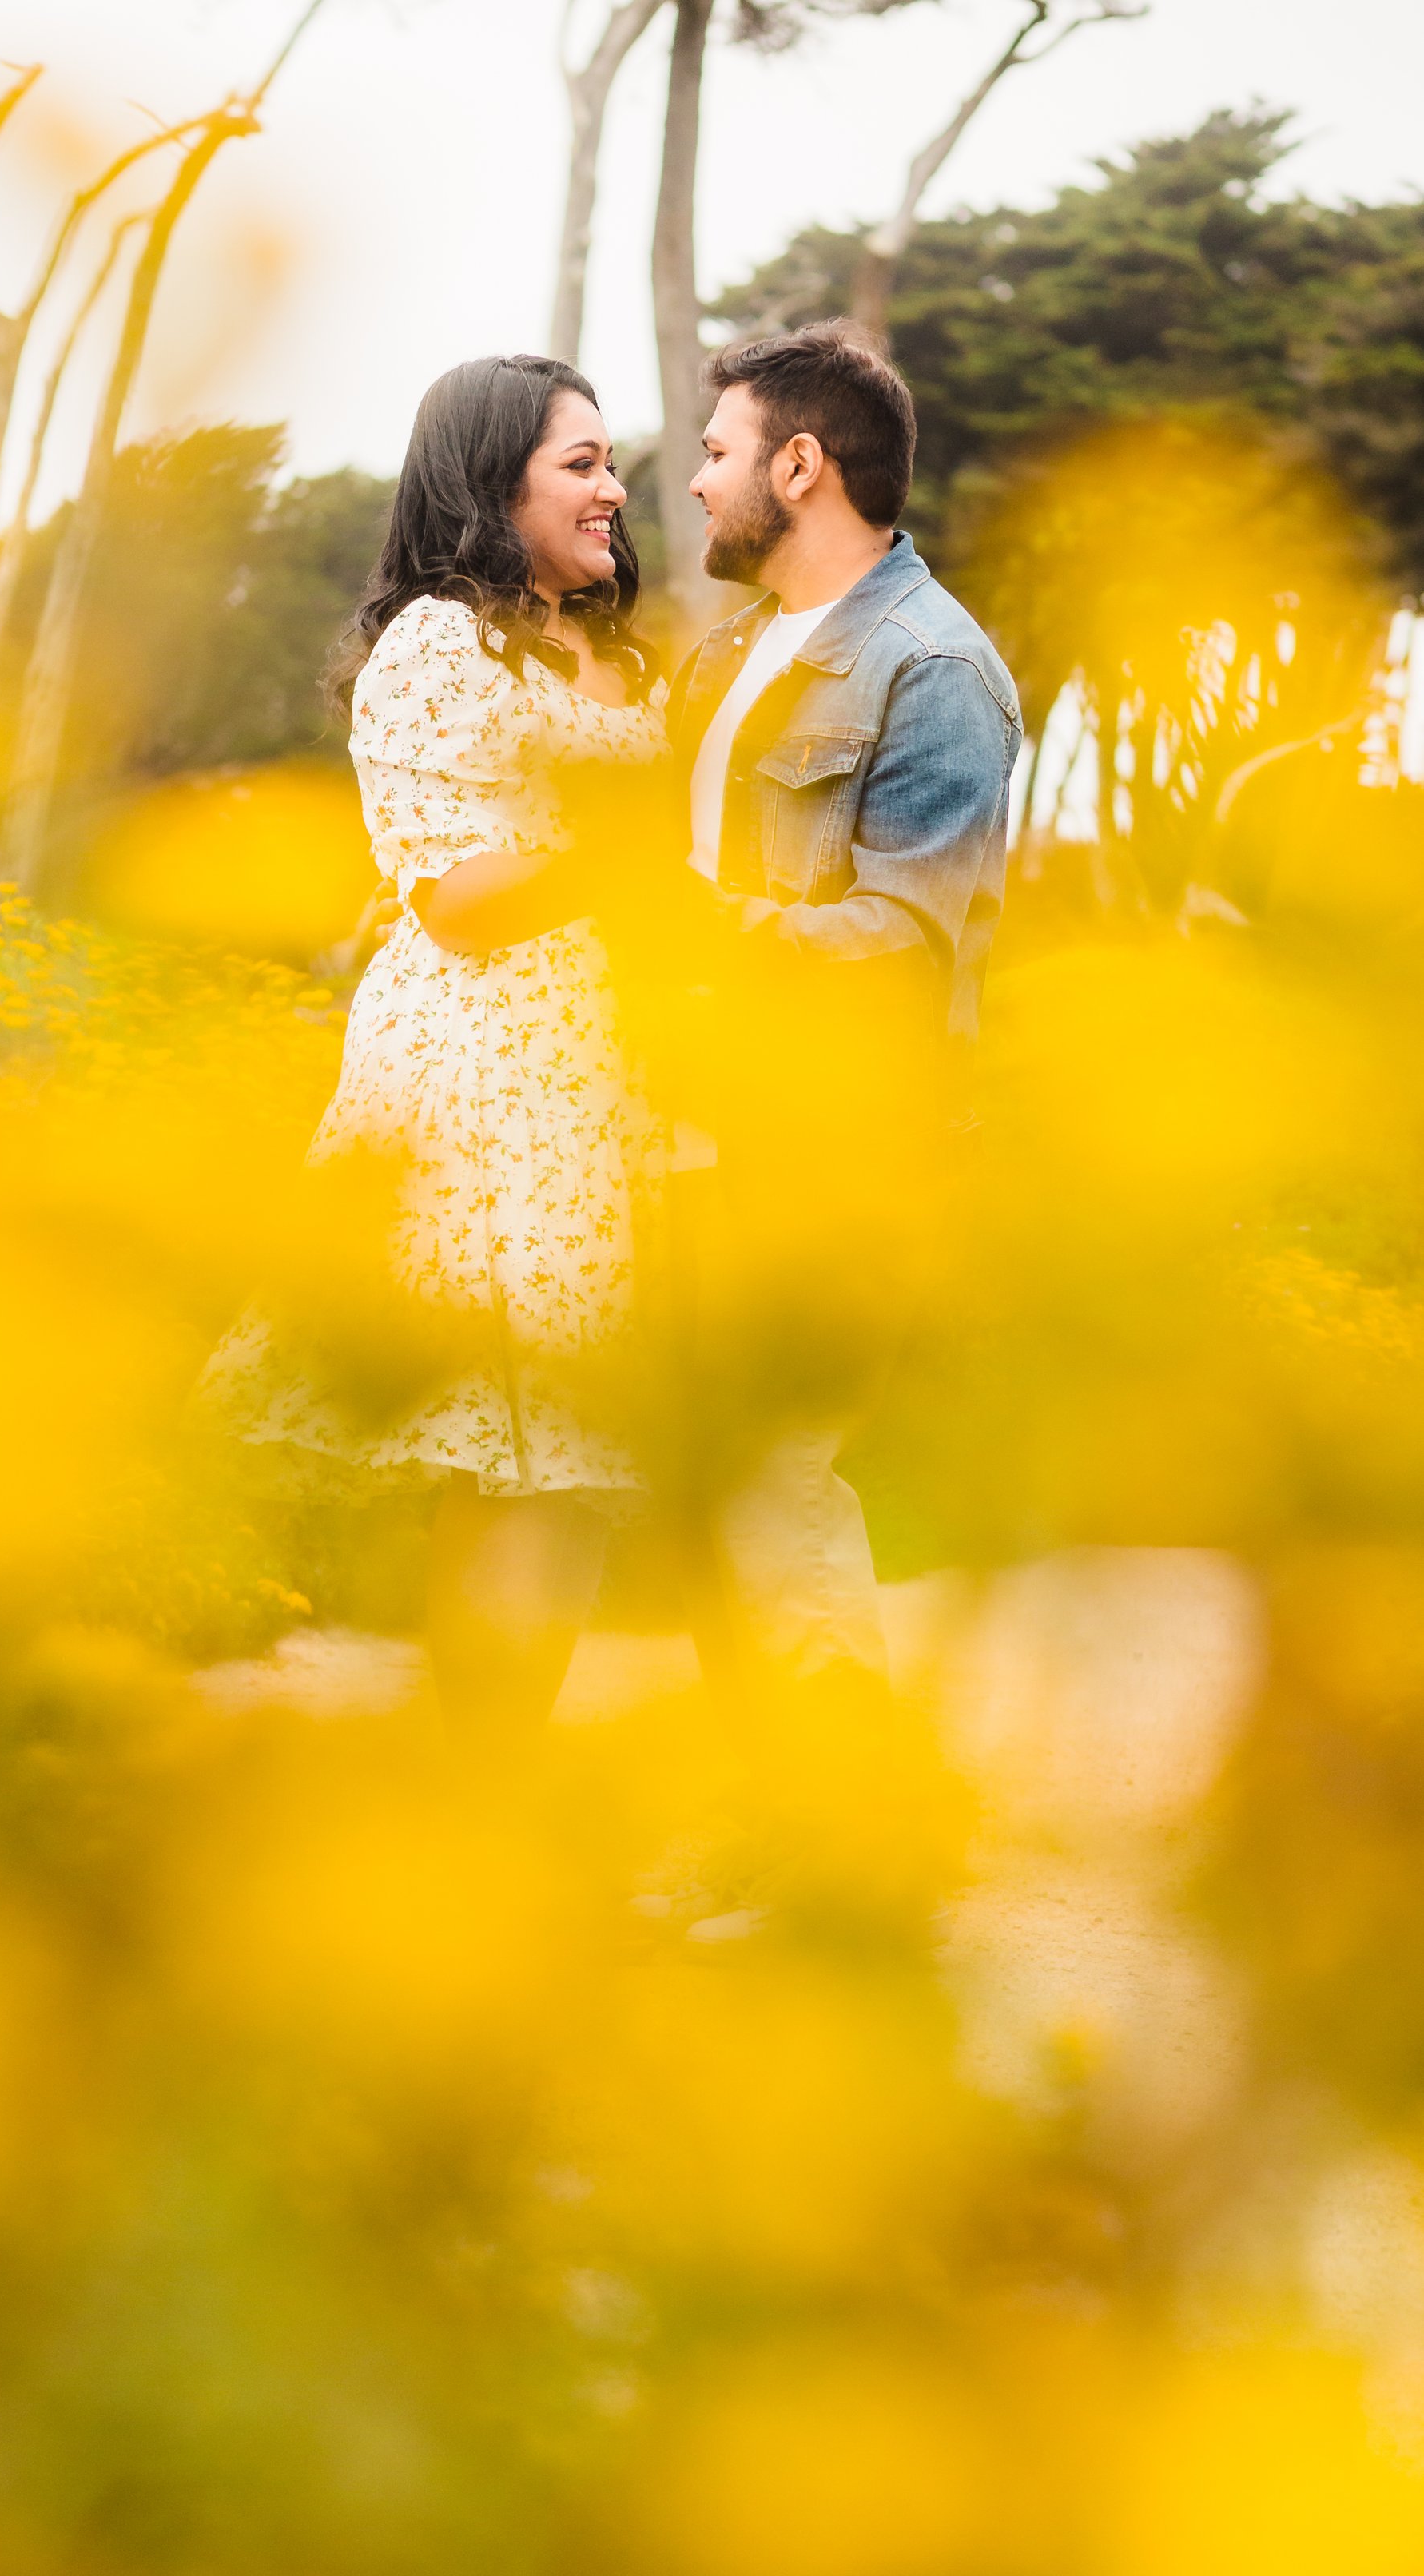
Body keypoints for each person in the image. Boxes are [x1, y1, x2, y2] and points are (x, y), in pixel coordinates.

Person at [209, 355, 665, 1754]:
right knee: (516, 1462)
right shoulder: (436, 647)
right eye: (579, 464)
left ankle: (499, 1792)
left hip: (613, 1069)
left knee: (581, 1466)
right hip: (497, 1070)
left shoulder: (619, 651)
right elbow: (458, 898)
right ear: (491, 479)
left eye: (610, 462)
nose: (614, 487)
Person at [670, 321, 1023, 1680]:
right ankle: (770, 1817)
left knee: (776, 1482)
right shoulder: (730, 657)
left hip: (825, 1147)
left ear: (801, 464)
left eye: (720, 452)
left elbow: (903, 938)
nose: (700, 481)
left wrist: (698, 935)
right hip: (695, 1125)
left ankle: (837, 1849)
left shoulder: (931, 668)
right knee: (709, 1493)